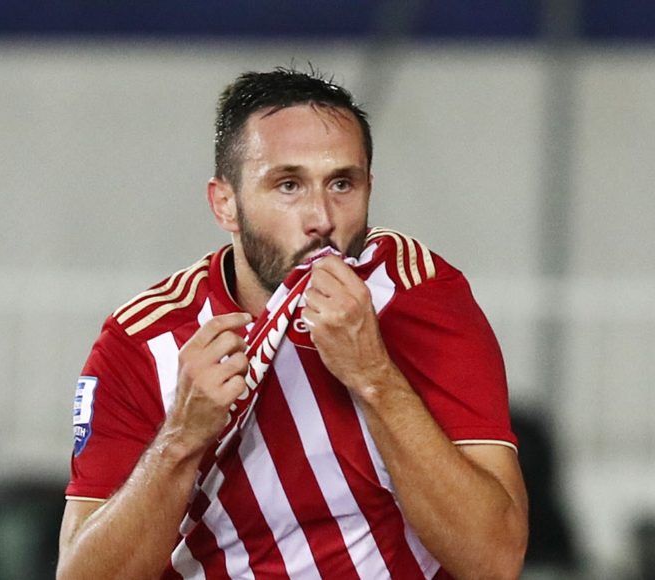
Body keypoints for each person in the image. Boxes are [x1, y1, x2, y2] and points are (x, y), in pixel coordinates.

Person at [56, 67, 528, 580]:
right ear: (225, 204)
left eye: (342, 184)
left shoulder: (421, 296)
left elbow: (494, 561)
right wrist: (181, 440)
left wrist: (375, 377)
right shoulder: (143, 340)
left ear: (370, 188)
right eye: (288, 185)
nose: (321, 218)